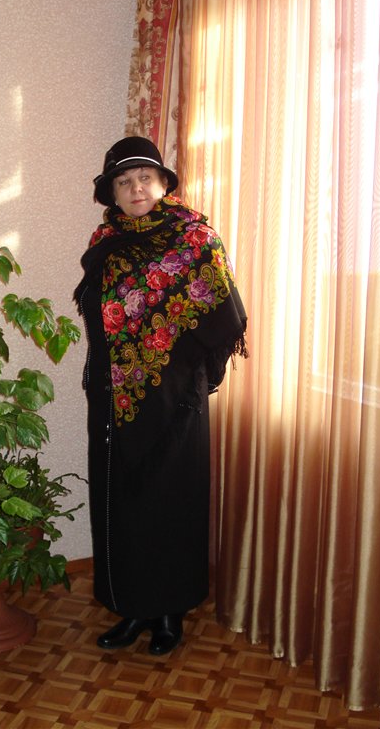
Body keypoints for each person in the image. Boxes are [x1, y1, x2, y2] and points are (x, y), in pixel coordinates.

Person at [74, 136, 247, 656]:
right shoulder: (105, 240)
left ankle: (170, 613)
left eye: (144, 178)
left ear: (163, 183)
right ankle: (132, 607)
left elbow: (225, 317)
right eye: (124, 182)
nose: (136, 189)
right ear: (112, 193)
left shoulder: (195, 239)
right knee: (122, 505)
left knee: (171, 504)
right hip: (113, 397)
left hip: (175, 402)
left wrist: (193, 378)